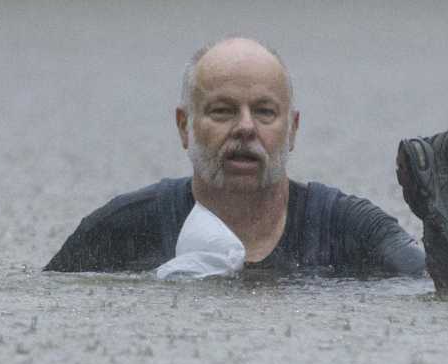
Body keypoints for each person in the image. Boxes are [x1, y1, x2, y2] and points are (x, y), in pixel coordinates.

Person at [44, 37, 427, 278]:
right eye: (223, 111)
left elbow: (441, 285)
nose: (245, 128)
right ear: (184, 126)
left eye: (264, 112)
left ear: (292, 129)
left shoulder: (350, 228)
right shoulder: (124, 228)